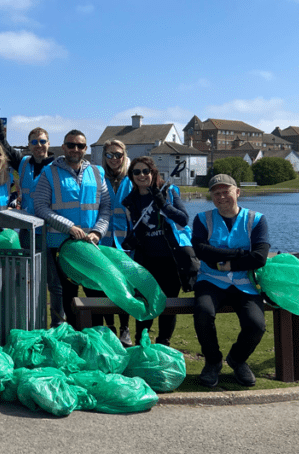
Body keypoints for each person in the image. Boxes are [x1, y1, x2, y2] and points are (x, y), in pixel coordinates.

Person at [192, 174, 270, 388]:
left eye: (226, 191)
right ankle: (213, 361)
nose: (221, 196)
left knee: (256, 325)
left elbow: (260, 257)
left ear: (237, 192)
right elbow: (201, 251)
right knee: (203, 313)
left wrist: (228, 263)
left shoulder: (256, 219)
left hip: (245, 282)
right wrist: (239, 253)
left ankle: (237, 360)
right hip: (210, 280)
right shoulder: (202, 218)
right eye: (216, 193)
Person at [0, 100, 59, 323]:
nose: (39, 145)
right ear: (28, 144)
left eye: (43, 141)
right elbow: (1, 143)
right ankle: (25, 321)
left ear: (49, 143)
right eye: (34, 141)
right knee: (24, 278)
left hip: (52, 231)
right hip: (28, 231)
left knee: (54, 282)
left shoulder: (58, 166)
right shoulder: (24, 163)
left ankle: (57, 324)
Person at [31, 129, 111, 328]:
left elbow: (105, 208)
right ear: (64, 147)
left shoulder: (97, 172)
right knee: (69, 295)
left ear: (85, 148)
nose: (76, 149)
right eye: (71, 145)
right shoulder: (49, 173)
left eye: (80, 146)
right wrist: (69, 227)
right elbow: (40, 207)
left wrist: (97, 232)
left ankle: (97, 336)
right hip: (61, 245)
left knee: (96, 292)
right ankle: (74, 336)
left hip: (90, 246)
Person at [120, 156, 190, 347]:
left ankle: (163, 344)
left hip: (170, 259)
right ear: (131, 176)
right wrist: (131, 240)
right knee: (144, 303)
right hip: (145, 261)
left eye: (145, 171)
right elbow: (130, 230)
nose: (141, 175)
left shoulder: (169, 192)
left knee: (168, 305)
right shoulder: (130, 202)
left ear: (153, 173)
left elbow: (183, 219)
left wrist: (164, 205)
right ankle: (142, 344)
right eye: (136, 172)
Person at [101, 139, 133, 346]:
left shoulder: (132, 178)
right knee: (106, 284)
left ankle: (125, 328)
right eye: (110, 155)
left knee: (124, 286)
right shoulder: (98, 178)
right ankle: (110, 326)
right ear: (104, 157)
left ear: (124, 156)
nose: (114, 159)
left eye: (118, 155)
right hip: (103, 239)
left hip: (126, 241)